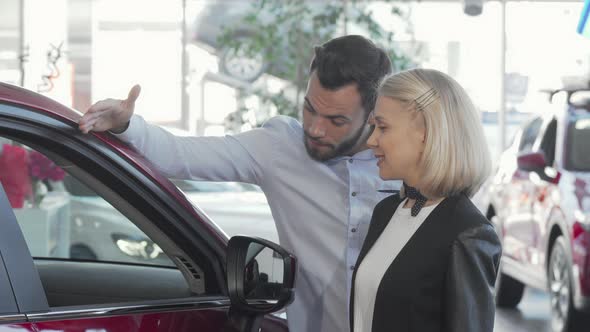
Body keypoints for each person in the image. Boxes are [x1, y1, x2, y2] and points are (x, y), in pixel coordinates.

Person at [78, 35, 400, 332]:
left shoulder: (406, 166)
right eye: (309, 108)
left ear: (373, 114)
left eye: (336, 121)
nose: (315, 128)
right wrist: (126, 125)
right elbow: (180, 155)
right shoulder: (279, 148)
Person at [351, 68, 502, 332]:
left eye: (382, 127)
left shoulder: (467, 233)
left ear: (426, 131)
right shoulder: (385, 211)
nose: (371, 140)